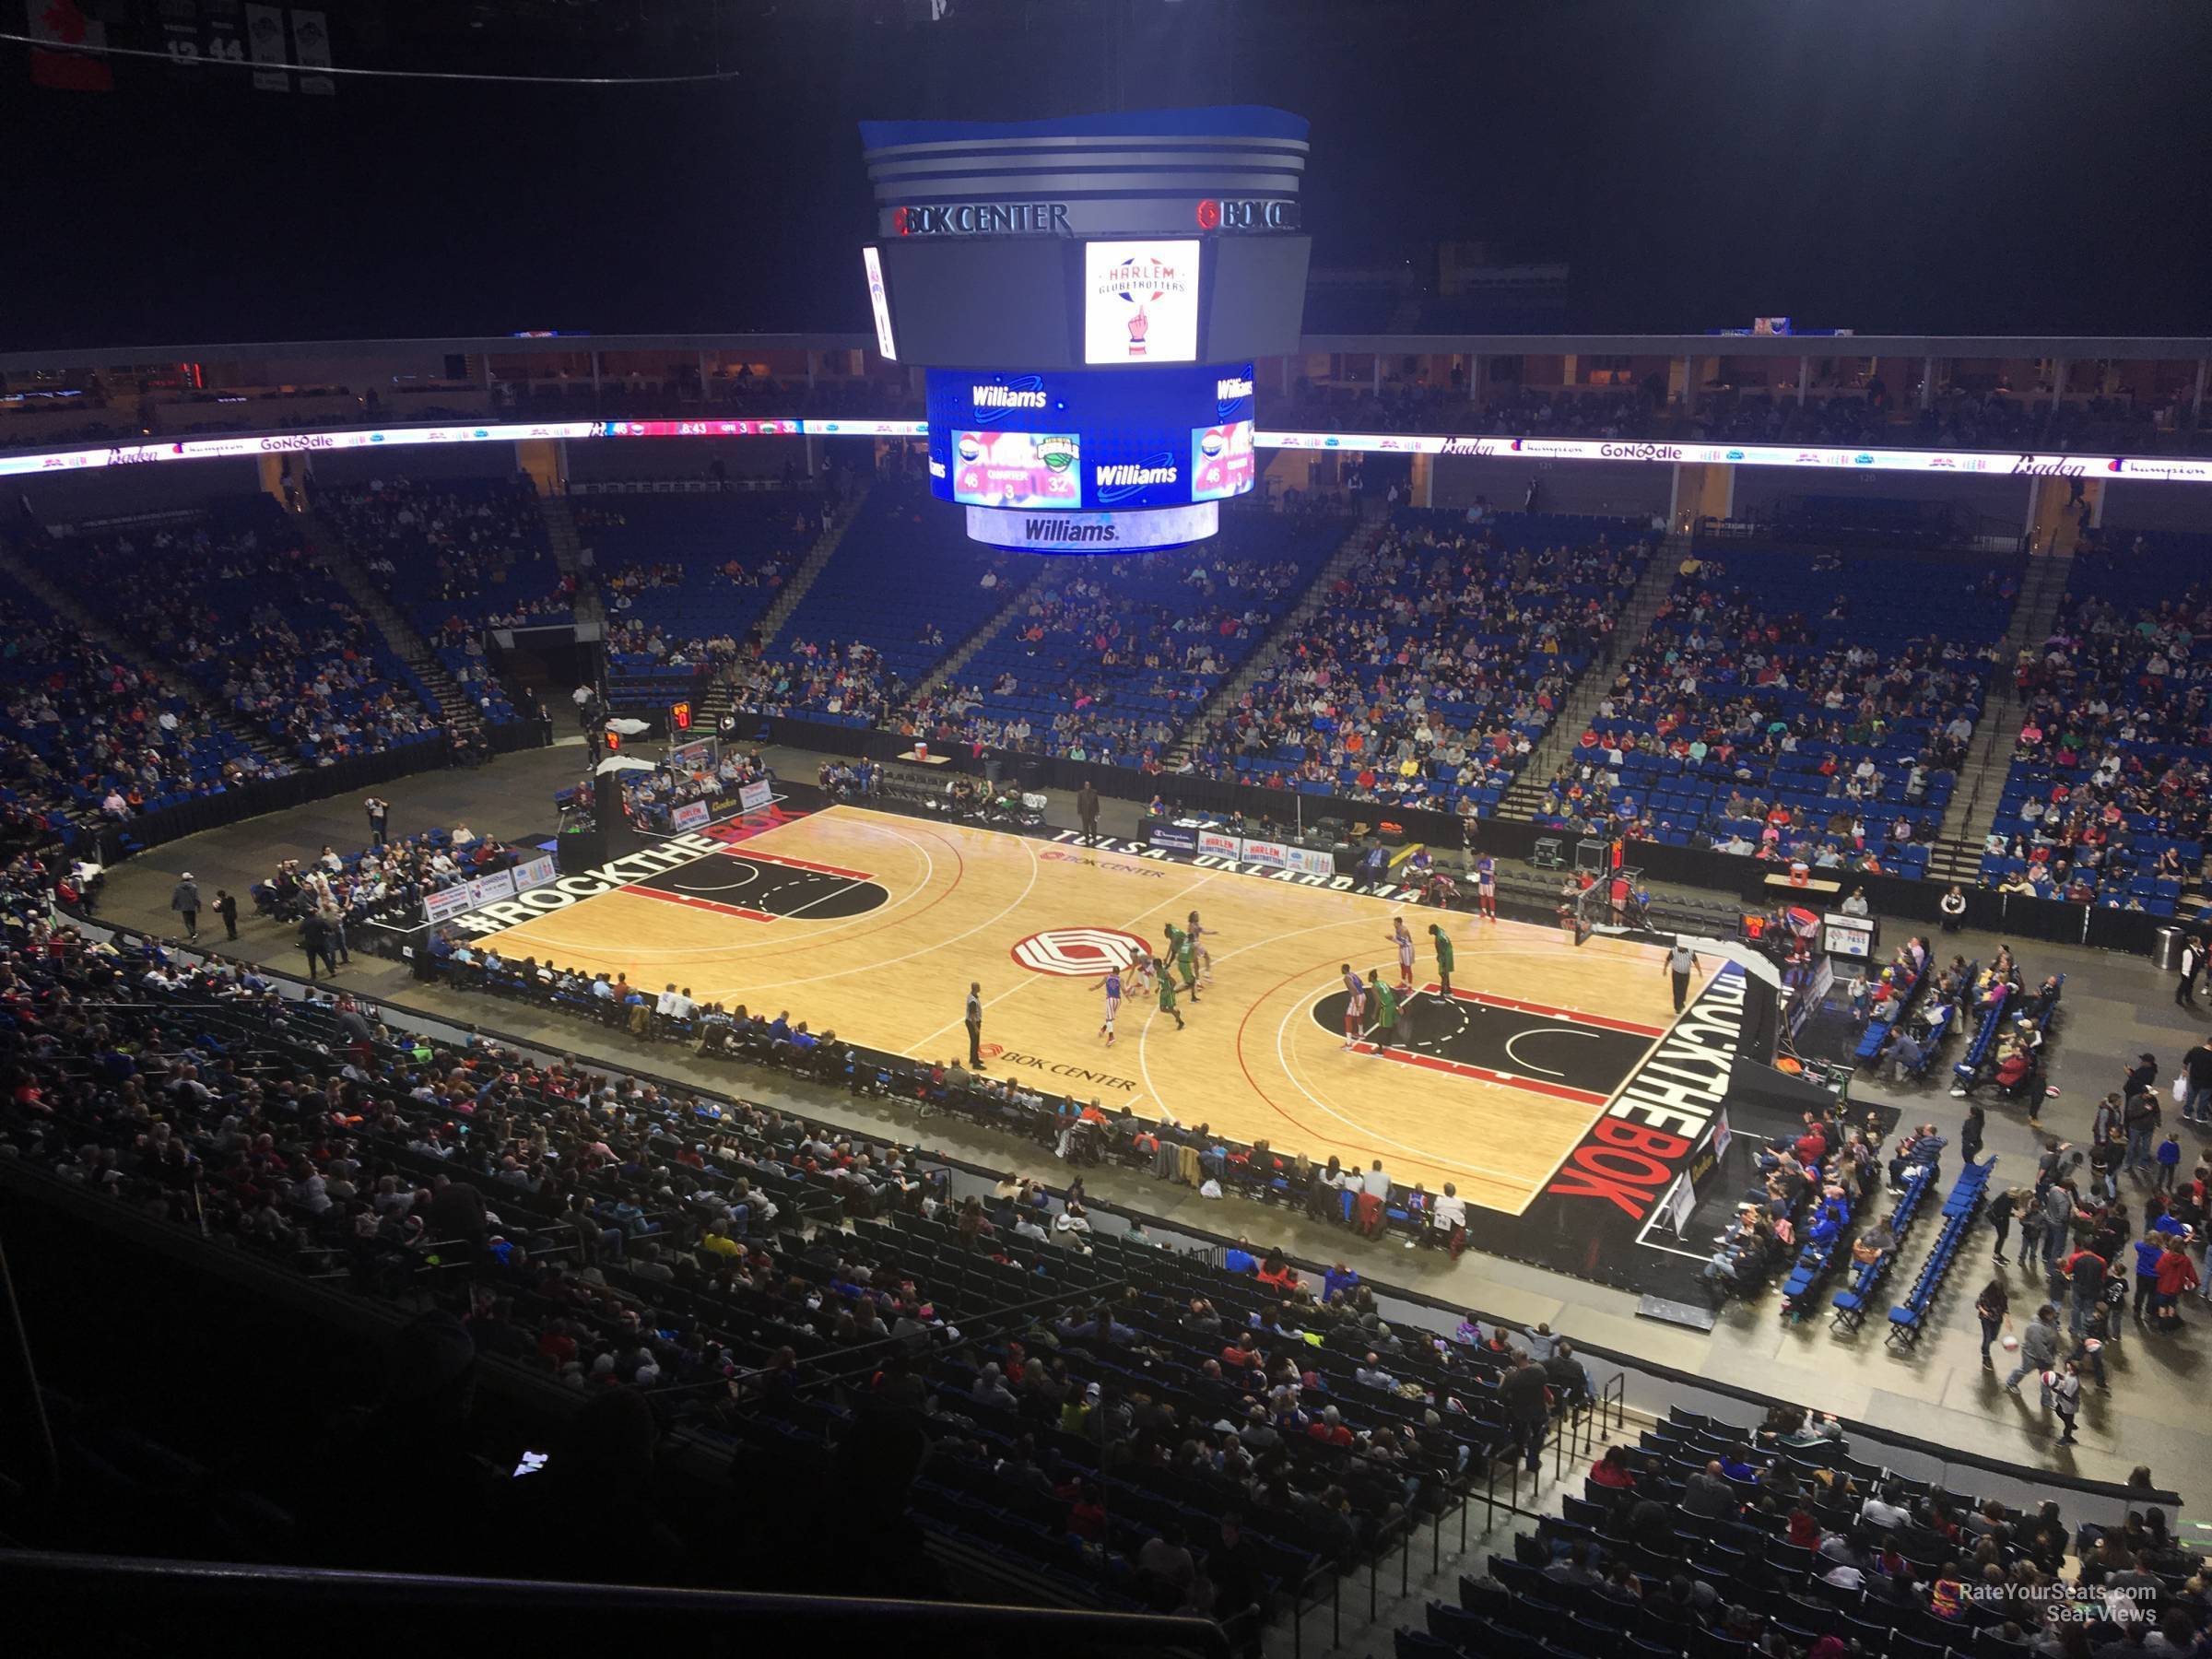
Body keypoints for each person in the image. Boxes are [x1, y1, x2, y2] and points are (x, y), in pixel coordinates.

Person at [2003, 1303, 2059, 1394]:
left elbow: (2054, 1337)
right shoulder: (2035, 1328)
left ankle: (2046, 1401)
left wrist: (2054, 1351)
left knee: (2047, 1379)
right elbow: (2039, 1347)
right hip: (2032, 1356)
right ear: (2045, 1315)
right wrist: (2049, 1359)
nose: (2054, 1316)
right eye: (2052, 1314)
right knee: (2024, 1370)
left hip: (2047, 1355)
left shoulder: (2052, 1322)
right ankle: (2011, 1383)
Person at [1974, 1277, 2009, 1367]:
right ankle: (1985, 1354)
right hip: (1986, 1319)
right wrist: (1984, 1312)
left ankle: (1986, 1346)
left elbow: (2005, 1308)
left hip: (1997, 1319)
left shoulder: (2002, 1296)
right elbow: (1978, 1304)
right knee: (1988, 1337)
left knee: (1993, 1337)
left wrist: (2007, 1320)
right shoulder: (1985, 1295)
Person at [1366, 969, 1400, 1055]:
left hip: (1386, 1008)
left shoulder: (1374, 987)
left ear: (1372, 978)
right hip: (1392, 1005)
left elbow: (1378, 1001)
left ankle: (1380, 1051)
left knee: (1382, 1028)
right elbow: (1393, 993)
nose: (1368, 978)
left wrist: (1374, 1013)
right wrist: (1398, 1006)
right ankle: (1388, 1043)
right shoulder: (1383, 983)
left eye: (1369, 976)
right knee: (1390, 1026)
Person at [1665, 937, 1700, 1013]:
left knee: (1684, 989)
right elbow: (1668, 960)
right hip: (1676, 973)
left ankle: (1681, 1002)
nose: (1679, 946)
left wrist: (1699, 971)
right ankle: (1677, 1008)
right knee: (1677, 990)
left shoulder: (1690, 951)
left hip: (1686, 974)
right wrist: (1665, 968)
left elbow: (1695, 961)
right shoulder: (1673, 951)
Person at [1338, 963, 1366, 1051]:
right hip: (1363, 995)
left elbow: (1353, 989)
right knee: (1359, 1015)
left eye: (1342, 969)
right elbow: (1361, 983)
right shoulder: (1353, 974)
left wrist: (1356, 1002)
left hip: (1356, 997)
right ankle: (1361, 1033)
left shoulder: (1346, 978)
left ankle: (1348, 1044)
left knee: (1348, 1018)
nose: (1341, 970)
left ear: (1344, 969)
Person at [170, 871, 201, 942]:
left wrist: (173, 905)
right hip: (192, 906)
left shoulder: (178, 887)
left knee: (187, 921)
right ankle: (194, 932)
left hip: (183, 906)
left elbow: (175, 897)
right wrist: (199, 906)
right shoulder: (194, 887)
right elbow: (196, 898)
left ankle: (192, 933)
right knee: (193, 920)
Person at [1154, 959, 1184, 1030]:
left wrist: (1169, 990)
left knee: (1170, 1008)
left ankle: (1181, 1022)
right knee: (1162, 1009)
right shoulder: (1157, 972)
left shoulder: (1165, 973)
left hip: (1169, 992)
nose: (1153, 967)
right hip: (1163, 992)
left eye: (1154, 965)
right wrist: (1158, 988)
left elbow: (1174, 982)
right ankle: (1176, 1013)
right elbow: (1160, 980)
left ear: (1157, 966)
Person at [1390, 916, 1416, 995]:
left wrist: (1392, 939)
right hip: (1402, 948)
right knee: (1402, 965)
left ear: (1399, 923)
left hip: (1407, 949)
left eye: (1395, 922)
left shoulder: (1404, 930)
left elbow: (1404, 943)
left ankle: (1410, 988)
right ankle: (1403, 983)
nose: (1393, 924)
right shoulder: (1397, 928)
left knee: (1408, 968)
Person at [1098, 964, 1123, 1047]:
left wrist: (1093, 988)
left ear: (1112, 971)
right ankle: (1104, 1028)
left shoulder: (1107, 977)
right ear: (1118, 972)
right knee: (1110, 1018)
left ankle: (1111, 1037)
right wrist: (1129, 998)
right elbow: (1124, 990)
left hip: (1110, 999)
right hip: (1118, 1000)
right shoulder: (1120, 979)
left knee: (1109, 1018)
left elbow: (1099, 985)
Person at [1429, 923, 1455, 996]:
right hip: (1448, 950)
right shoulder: (1440, 930)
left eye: (1430, 930)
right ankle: (1448, 989)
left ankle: (1443, 993)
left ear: (1434, 930)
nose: (1429, 931)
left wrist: (1441, 960)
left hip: (1446, 954)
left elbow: (1441, 951)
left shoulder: (1439, 939)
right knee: (1444, 973)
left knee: (1443, 973)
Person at [964, 982, 984, 1069]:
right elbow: (972, 1015)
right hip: (973, 1023)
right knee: (975, 1042)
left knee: (975, 1042)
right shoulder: (973, 1001)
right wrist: (975, 1027)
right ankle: (975, 1064)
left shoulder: (972, 996)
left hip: (972, 1022)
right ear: (976, 988)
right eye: (979, 987)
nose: (980, 988)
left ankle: (973, 1058)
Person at [2180, 935, 2203, 1008]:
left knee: (2190, 986)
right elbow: (2187, 963)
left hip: (2193, 972)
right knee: (2183, 986)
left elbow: (2202, 952)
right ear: (2194, 943)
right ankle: (2178, 998)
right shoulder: (2188, 951)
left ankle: (2188, 997)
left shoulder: (2196, 950)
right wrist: (2186, 974)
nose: (2200, 944)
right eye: (2199, 942)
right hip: (2187, 973)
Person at [1077, 779, 1100, 846]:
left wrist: (1098, 812)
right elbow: (1079, 803)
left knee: (1093, 826)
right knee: (1085, 827)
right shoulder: (1081, 793)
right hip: (1084, 813)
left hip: (1093, 813)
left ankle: (1094, 837)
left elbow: (1096, 803)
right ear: (1084, 785)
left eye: (1088, 784)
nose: (1087, 786)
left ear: (1090, 785)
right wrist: (1079, 812)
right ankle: (1087, 837)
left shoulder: (1094, 792)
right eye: (1086, 785)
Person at [1475, 851, 1496, 921]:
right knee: (1482, 897)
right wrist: (1477, 874)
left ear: (1486, 855)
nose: (1481, 857)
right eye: (1480, 855)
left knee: (1490, 898)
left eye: (1482, 855)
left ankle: (1492, 915)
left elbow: (1492, 873)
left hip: (1489, 882)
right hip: (1481, 882)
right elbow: (1478, 870)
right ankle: (1484, 912)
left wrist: (1482, 871)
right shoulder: (1479, 861)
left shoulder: (1491, 861)